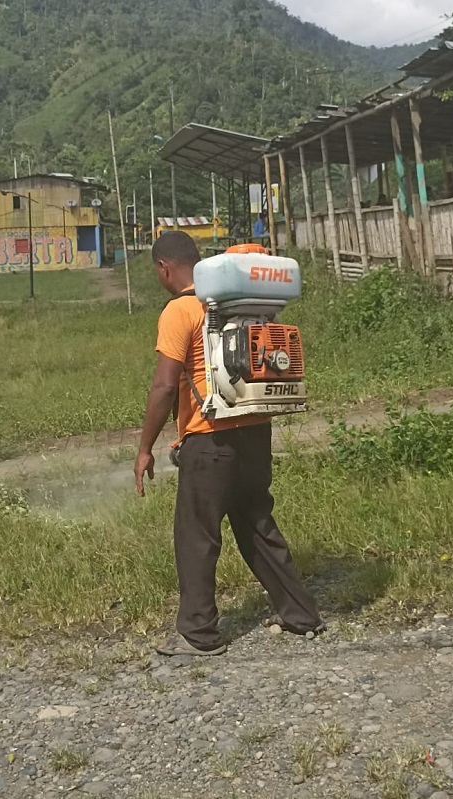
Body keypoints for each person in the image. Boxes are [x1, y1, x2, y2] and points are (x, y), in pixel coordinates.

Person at [134, 231, 325, 657]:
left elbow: (164, 386)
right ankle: (301, 615)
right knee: (257, 524)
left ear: (164, 268)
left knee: (196, 536)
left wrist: (145, 447)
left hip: (209, 439)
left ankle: (197, 634)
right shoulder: (241, 305)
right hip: (255, 432)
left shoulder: (181, 310)